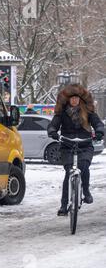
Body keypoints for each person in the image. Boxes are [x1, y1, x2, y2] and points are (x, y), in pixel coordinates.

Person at [47, 83, 104, 216]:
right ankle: (63, 205)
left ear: (80, 99)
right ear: (68, 100)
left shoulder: (88, 112)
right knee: (68, 173)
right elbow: (53, 125)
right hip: (67, 145)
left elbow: (98, 123)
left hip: (85, 144)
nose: (74, 100)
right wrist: (53, 132)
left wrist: (100, 132)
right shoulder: (62, 114)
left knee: (84, 166)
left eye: (76, 98)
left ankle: (86, 191)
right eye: (72, 98)